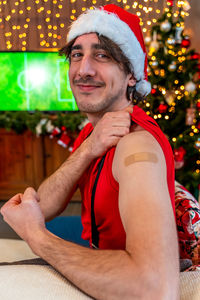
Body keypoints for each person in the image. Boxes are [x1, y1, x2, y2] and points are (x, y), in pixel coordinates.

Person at [1, 4, 179, 300]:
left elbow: (155, 289)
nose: (83, 70)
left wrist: (37, 238)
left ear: (132, 76)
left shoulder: (135, 143)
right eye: (77, 55)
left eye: (102, 55)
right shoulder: (94, 134)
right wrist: (88, 149)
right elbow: (40, 208)